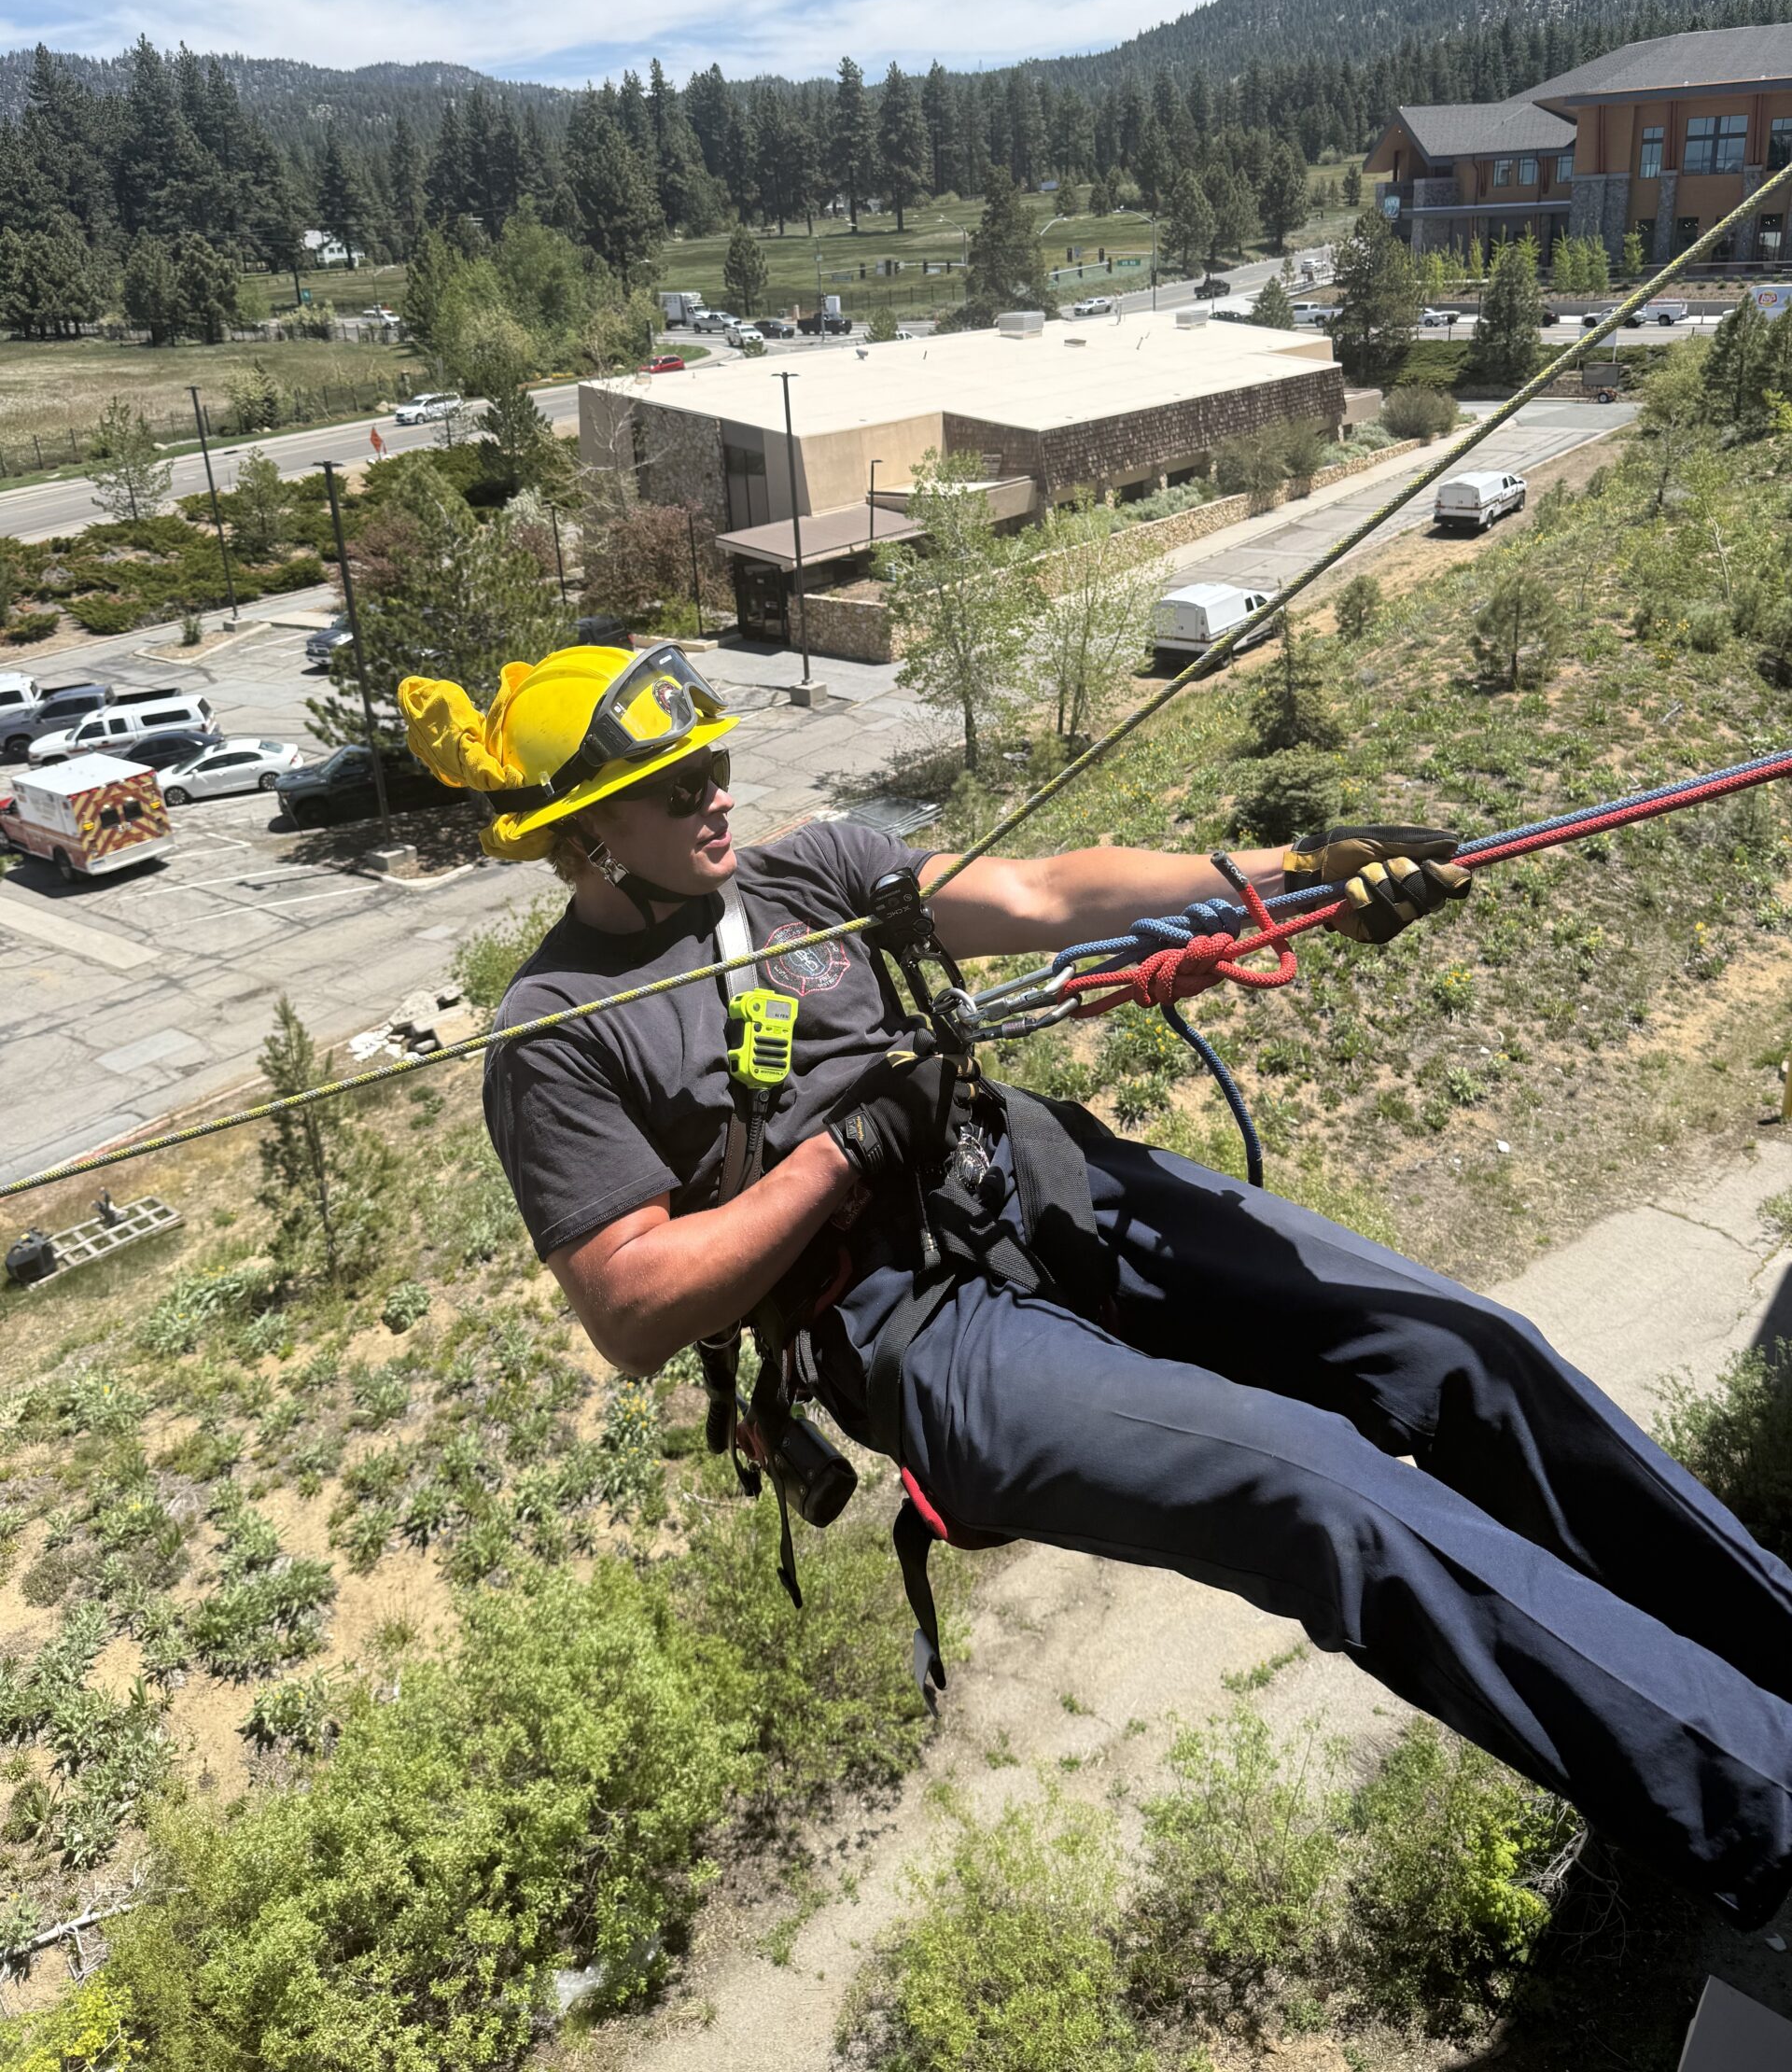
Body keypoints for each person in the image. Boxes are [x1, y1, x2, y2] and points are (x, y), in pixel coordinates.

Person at [401, 643, 1792, 1929]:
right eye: (674, 785)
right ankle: (1768, 1808)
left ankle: (1770, 1639)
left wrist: (1292, 872)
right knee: (1323, 1492)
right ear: (585, 836)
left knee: (1465, 1345)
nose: (715, 792)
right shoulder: (554, 1033)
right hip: (914, 1332)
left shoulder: (807, 872)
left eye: (712, 762)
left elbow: (1049, 895)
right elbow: (634, 1305)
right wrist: (847, 1151)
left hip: (1032, 1179)